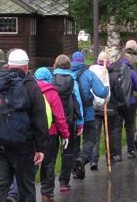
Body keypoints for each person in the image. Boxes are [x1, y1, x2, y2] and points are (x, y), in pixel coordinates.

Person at [0, 48, 49, 202]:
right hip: (24, 147)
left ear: (8, 65)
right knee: (26, 188)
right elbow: (39, 118)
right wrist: (41, 148)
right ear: (26, 66)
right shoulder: (30, 85)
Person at [32, 67, 69, 202]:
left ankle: (24, 192)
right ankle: (47, 194)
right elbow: (59, 117)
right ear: (49, 78)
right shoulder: (52, 93)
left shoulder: (29, 90)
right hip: (51, 134)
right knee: (49, 164)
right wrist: (65, 135)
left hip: (33, 135)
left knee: (32, 164)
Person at [73, 50, 111, 176]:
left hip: (71, 114)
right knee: (91, 138)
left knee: (74, 142)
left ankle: (75, 171)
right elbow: (102, 92)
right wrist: (106, 87)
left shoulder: (66, 74)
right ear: (83, 61)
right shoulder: (88, 74)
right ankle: (83, 159)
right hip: (87, 113)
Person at [52, 54, 83, 191]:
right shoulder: (73, 81)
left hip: (52, 121)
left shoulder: (50, 79)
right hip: (68, 121)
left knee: (51, 153)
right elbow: (78, 103)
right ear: (69, 65)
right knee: (67, 151)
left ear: (56, 64)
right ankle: (64, 182)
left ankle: (47, 185)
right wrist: (80, 122)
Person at [107, 47, 137, 160]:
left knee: (117, 127)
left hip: (116, 103)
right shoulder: (131, 70)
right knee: (129, 127)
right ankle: (130, 151)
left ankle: (117, 154)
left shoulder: (112, 69)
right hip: (129, 102)